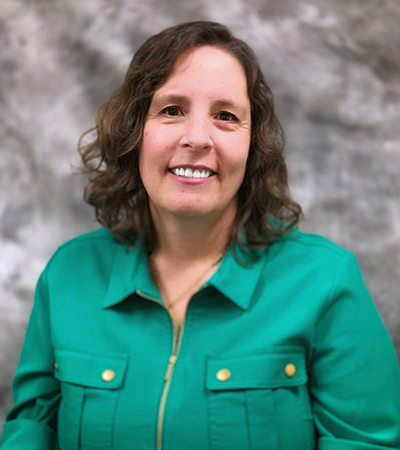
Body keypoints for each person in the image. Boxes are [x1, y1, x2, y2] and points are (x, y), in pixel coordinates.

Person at [1, 21, 400, 450]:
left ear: (254, 145)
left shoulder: (326, 281)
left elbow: (366, 443)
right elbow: (31, 431)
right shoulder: (68, 274)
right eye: (171, 110)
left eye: (225, 116)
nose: (196, 139)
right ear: (135, 133)